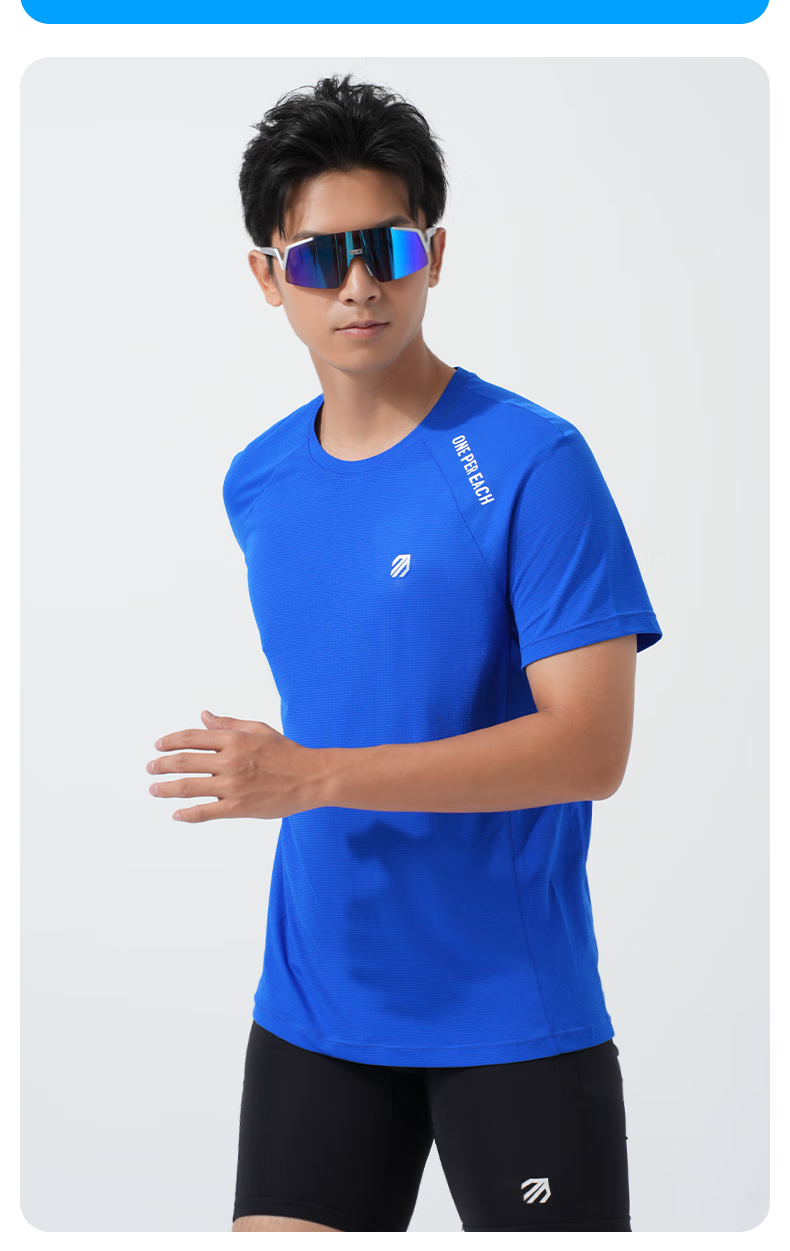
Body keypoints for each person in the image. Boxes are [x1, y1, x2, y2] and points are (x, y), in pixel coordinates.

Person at [146, 74, 662, 1233]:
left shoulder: (532, 462)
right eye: (321, 258)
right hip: (315, 1004)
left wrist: (313, 775)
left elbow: (591, 748)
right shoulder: (257, 481)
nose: (360, 285)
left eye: (386, 248)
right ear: (268, 276)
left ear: (432, 252)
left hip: (508, 1012)